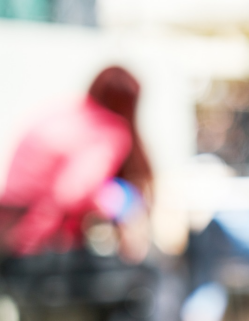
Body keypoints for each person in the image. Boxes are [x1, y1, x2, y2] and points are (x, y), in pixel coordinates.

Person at [0, 66, 152, 258]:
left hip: (7, 218)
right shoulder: (109, 131)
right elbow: (70, 192)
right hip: (32, 235)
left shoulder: (65, 111)